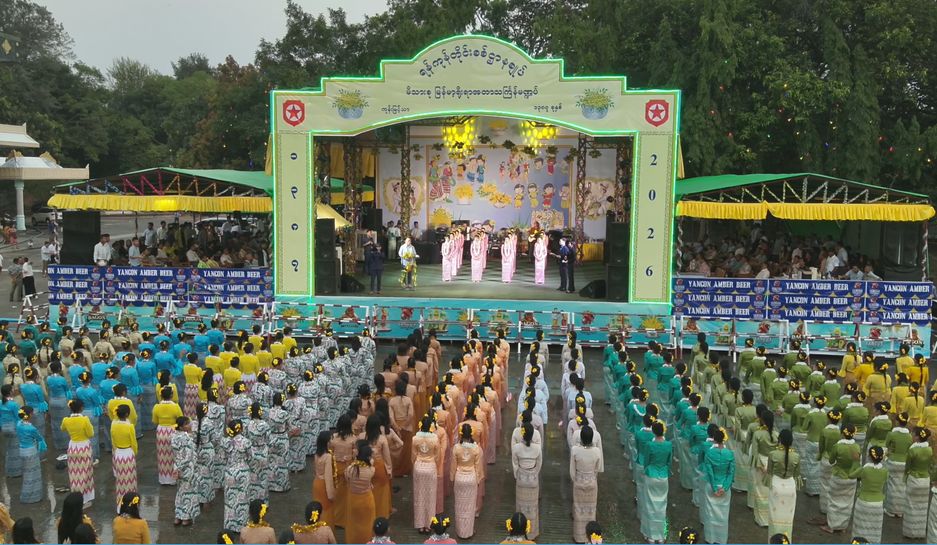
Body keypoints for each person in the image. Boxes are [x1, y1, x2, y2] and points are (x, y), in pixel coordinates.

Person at [822, 424, 862, 533]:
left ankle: (831, 526)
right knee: (847, 503)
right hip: (851, 479)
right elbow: (857, 463)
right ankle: (843, 526)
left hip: (838, 476)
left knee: (833, 501)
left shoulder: (837, 446)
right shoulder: (857, 447)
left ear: (842, 433)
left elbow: (831, 461)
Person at [570, 425, 603, 543]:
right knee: (591, 510)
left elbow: (572, 470)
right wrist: (592, 476)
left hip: (579, 481)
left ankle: (578, 537)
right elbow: (597, 468)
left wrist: (576, 479)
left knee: (578, 509)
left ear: (581, 438)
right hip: (592, 482)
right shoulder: (597, 451)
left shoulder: (575, 450)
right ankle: (591, 538)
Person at [641, 420, 672, 544]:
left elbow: (646, 461)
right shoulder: (668, 445)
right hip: (663, 476)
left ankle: (650, 535)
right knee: (662, 505)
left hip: (651, 475)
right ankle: (660, 535)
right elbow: (669, 462)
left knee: (649, 504)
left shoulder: (650, 445)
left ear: (653, 432)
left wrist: (647, 470)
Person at [451, 423, 484, 539]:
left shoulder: (456, 448)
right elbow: (478, 467)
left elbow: (453, 466)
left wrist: (452, 478)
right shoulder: (476, 448)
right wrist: (479, 479)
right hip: (471, 478)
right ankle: (469, 531)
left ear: (461, 434)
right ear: (471, 434)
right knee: (470, 506)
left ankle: (460, 531)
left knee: (459, 505)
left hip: (459, 478)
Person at [511, 422, 542, 540]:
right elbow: (539, 464)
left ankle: (519, 531)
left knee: (520, 505)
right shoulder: (537, 448)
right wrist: (534, 473)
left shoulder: (516, 448)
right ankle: (532, 532)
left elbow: (515, 463)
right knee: (533, 506)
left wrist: (517, 475)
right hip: (533, 478)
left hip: (521, 478)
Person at [767, 429, 800, 541]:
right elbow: (797, 475)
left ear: (780, 439)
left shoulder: (773, 454)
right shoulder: (796, 456)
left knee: (774, 517)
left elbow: (769, 472)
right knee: (788, 519)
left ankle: (774, 541)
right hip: (790, 488)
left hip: (776, 486)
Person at [850, 446, 888, 543]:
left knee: (860, 528)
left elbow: (851, 475)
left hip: (863, 502)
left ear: (870, 457)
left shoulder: (865, 469)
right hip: (878, 504)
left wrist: (855, 462)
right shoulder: (885, 471)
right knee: (875, 529)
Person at [411, 415, 441, 533]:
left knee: (419, 495)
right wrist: (433, 464)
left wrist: (416, 464)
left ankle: (420, 524)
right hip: (430, 467)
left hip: (419, 466)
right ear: (430, 426)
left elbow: (413, 456)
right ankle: (429, 524)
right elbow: (437, 456)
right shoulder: (435, 439)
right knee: (430, 496)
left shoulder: (415, 438)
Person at [223, 419, 253, 532]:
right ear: (241, 429)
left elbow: (222, 457)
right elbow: (250, 457)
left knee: (230, 498)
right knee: (243, 498)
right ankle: (242, 525)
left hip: (229, 471)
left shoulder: (225, 442)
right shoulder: (246, 442)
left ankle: (229, 524)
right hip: (243, 471)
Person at [902, 427, 932, 538]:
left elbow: (908, 466)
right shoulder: (930, 450)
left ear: (918, 437)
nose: (912, 436)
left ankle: (910, 533)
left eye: (914, 435)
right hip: (925, 480)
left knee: (911, 506)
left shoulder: (913, 450)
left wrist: (906, 475)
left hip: (914, 479)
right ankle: (920, 532)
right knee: (922, 508)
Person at [345, 441, 377, 544]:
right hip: (366, 499)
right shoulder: (371, 470)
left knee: (353, 523)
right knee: (367, 523)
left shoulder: (351, 469)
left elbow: (347, 478)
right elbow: (372, 462)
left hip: (353, 499)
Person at [172, 416, 200, 526]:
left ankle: (177, 517)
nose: (190, 425)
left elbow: (176, 454)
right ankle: (185, 518)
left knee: (180, 492)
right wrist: (181, 467)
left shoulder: (173, 436)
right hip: (187, 468)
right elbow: (188, 457)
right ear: (182, 427)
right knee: (188, 492)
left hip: (176, 467)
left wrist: (177, 468)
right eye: (187, 424)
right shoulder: (186, 438)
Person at [152, 386, 183, 485]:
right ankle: (173, 479)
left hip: (161, 431)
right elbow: (181, 419)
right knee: (173, 455)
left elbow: (155, 421)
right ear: (171, 395)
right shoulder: (175, 407)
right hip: (172, 431)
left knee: (162, 455)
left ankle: (163, 479)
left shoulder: (156, 407)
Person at [16, 407, 46, 504]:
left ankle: (27, 495)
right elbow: (39, 438)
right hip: (31, 452)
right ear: (29, 415)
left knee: (26, 473)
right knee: (33, 475)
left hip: (22, 450)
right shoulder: (31, 428)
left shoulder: (18, 424)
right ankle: (32, 497)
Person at [111, 403, 138, 501]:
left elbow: (113, 440)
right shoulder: (130, 426)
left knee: (120, 478)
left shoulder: (113, 426)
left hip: (118, 452)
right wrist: (134, 452)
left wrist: (116, 450)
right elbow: (133, 442)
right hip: (128, 452)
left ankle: (120, 500)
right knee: (130, 477)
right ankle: (131, 499)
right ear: (127, 414)